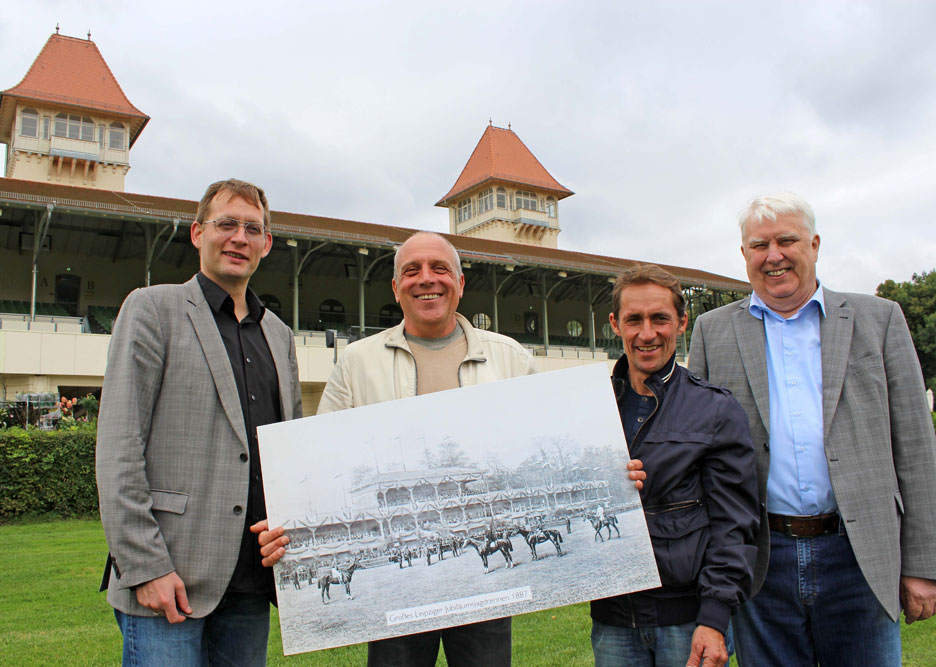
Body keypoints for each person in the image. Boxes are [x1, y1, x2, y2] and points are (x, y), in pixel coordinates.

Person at [315, 231, 646, 666]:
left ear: (460, 283)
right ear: (396, 288)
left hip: (488, 599)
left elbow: (550, 439)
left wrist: (613, 470)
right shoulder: (356, 362)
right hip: (403, 606)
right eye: (411, 271)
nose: (426, 280)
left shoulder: (510, 357)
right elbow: (325, 456)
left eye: (439, 269)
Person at [688, 193, 936, 666]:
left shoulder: (878, 319)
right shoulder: (711, 331)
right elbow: (699, 451)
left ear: (815, 244)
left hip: (859, 556)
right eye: (760, 245)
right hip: (761, 560)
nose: (774, 255)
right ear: (744, 255)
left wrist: (923, 565)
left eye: (787, 240)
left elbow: (918, 450)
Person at [96, 178, 300, 665]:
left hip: (252, 578)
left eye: (253, 229)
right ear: (197, 233)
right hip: (171, 576)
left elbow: (284, 453)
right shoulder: (152, 309)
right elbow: (119, 447)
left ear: (266, 244)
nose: (239, 238)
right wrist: (145, 567)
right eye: (226, 224)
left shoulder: (279, 334)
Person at [590, 264, 759, 667]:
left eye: (660, 318)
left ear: (682, 323)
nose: (647, 333)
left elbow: (734, 523)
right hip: (613, 621)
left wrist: (715, 618)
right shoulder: (590, 409)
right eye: (634, 319)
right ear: (615, 324)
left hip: (686, 622)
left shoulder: (715, 409)